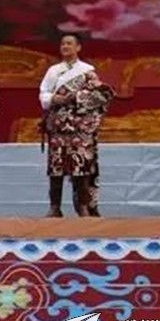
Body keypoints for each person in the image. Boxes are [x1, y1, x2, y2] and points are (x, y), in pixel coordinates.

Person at [38, 33, 114, 218]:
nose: (65, 46)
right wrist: (54, 98)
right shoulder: (53, 71)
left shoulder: (88, 71)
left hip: (80, 127)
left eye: (69, 43)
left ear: (78, 47)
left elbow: (99, 96)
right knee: (56, 166)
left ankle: (83, 206)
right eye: (63, 43)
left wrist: (76, 98)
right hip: (58, 126)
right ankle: (55, 207)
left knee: (81, 166)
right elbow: (43, 93)